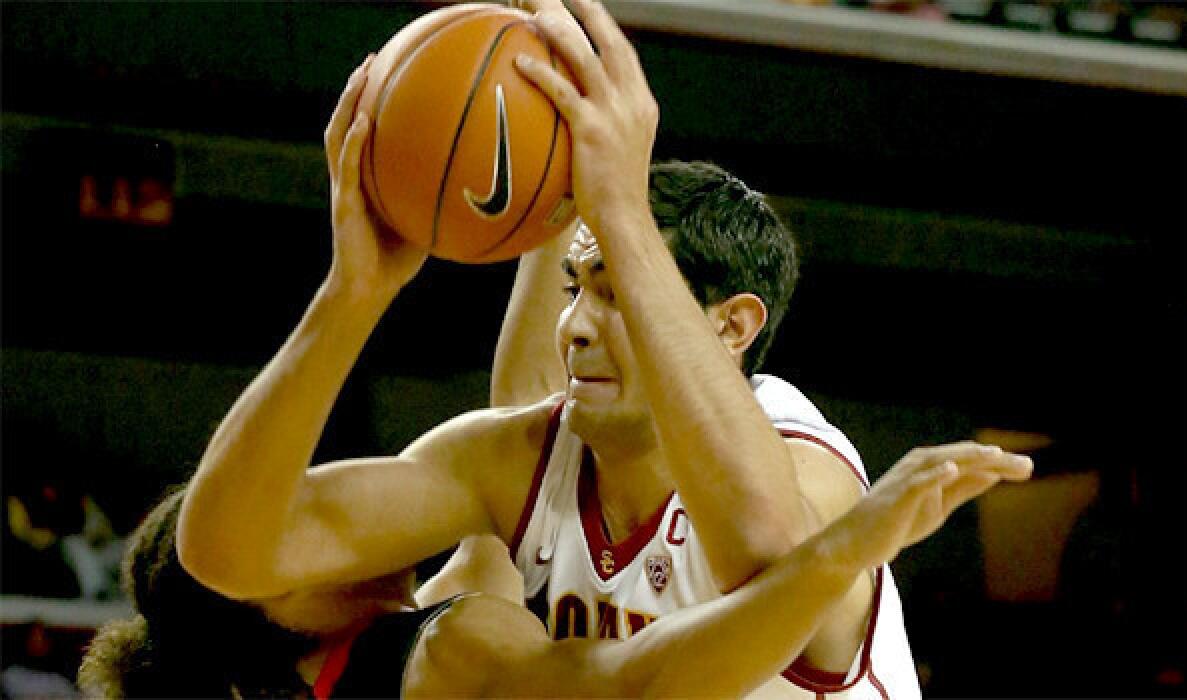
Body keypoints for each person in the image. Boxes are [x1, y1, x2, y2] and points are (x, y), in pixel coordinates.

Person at [175, 0, 1005, 696]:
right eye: (577, 290)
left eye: (614, 290)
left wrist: (617, 210)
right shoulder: (525, 459)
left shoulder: (798, 453)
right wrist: (352, 294)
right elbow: (232, 552)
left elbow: (766, 554)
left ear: (732, 326)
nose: (574, 324)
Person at [81, 445, 1031, 698]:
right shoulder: (443, 654)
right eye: (284, 543)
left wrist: (553, 233)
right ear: (262, 604)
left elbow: (530, 453)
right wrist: (845, 549)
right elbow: (651, 685)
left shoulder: (436, 619)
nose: (322, 526)